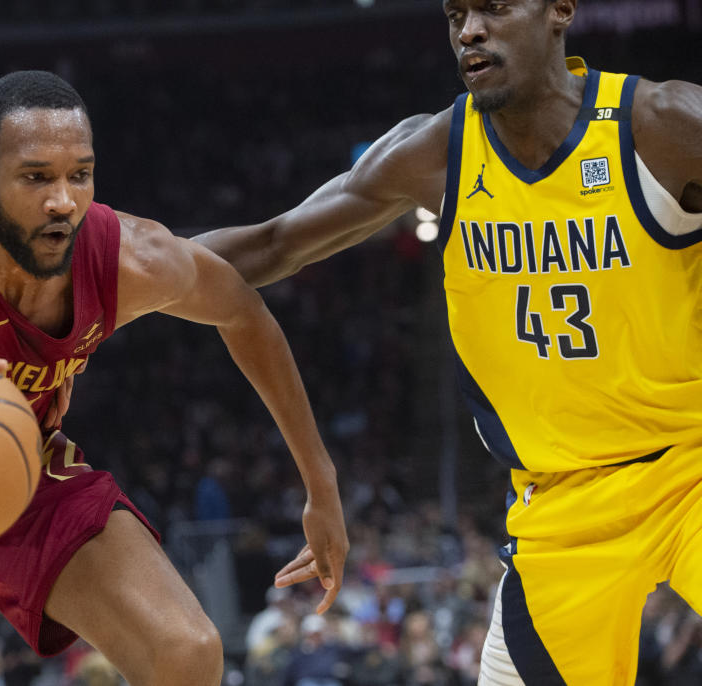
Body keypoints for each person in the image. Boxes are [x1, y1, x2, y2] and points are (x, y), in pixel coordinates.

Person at [0, 70, 349, 686]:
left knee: (185, 651)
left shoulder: (130, 256)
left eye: (79, 174)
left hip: (16, 456)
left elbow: (245, 311)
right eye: (36, 177)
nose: (63, 201)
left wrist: (320, 485)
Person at [194, 1, 702, 683]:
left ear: (560, 10)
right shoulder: (433, 153)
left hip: (691, 464)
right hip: (560, 502)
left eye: (492, 7)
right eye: (456, 12)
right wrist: (105, 272)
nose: (469, 30)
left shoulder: (661, 125)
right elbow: (274, 243)